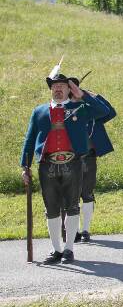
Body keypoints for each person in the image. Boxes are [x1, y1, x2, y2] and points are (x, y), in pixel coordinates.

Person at [21, 60, 109, 264]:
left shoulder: (80, 108)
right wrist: (24, 166)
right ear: (50, 89)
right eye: (55, 87)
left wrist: (82, 95)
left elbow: (103, 112)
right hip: (47, 165)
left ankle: (69, 249)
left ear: (69, 90)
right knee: (51, 208)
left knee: (72, 206)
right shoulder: (39, 111)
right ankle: (56, 250)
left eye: (62, 87)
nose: (58, 90)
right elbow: (29, 139)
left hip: (73, 163)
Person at [68, 73, 116, 243]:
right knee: (69, 195)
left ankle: (86, 230)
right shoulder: (62, 107)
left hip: (88, 156)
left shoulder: (91, 107)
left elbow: (110, 112)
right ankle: (71, 231)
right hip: (68, 158)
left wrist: (90, 95)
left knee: (87, 193)